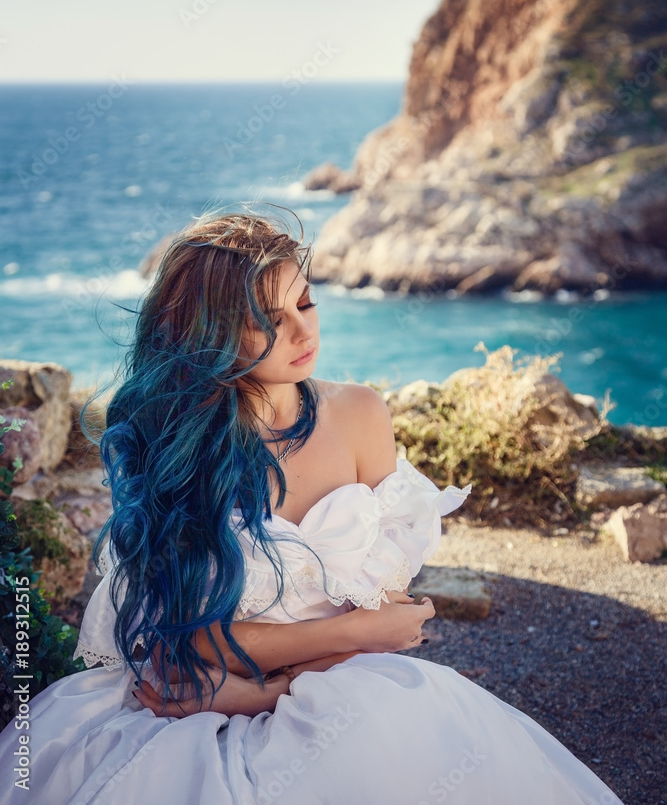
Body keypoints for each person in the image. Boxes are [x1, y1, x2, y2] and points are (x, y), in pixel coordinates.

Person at [0, 208, 623, 805]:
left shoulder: (360, 415)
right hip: (190, 712)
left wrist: (263, 689)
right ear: (209, 333)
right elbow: (185, 643)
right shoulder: (175, 444)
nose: (303, 332)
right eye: (268, 319)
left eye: (306, 302)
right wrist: (329, 646)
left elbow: (386, 618)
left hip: (337, 689)